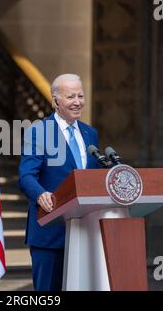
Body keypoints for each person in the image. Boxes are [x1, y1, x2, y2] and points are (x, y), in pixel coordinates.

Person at [18, 74, 101, 291]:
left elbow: (95, 176)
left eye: (81, 95)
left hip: (84, 232)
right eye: (70, 96)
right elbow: (26, 175)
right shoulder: (38, 131)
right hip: (50, 232)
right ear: (55, 101)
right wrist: (40, 194)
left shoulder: (90, 133)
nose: (77, 101)